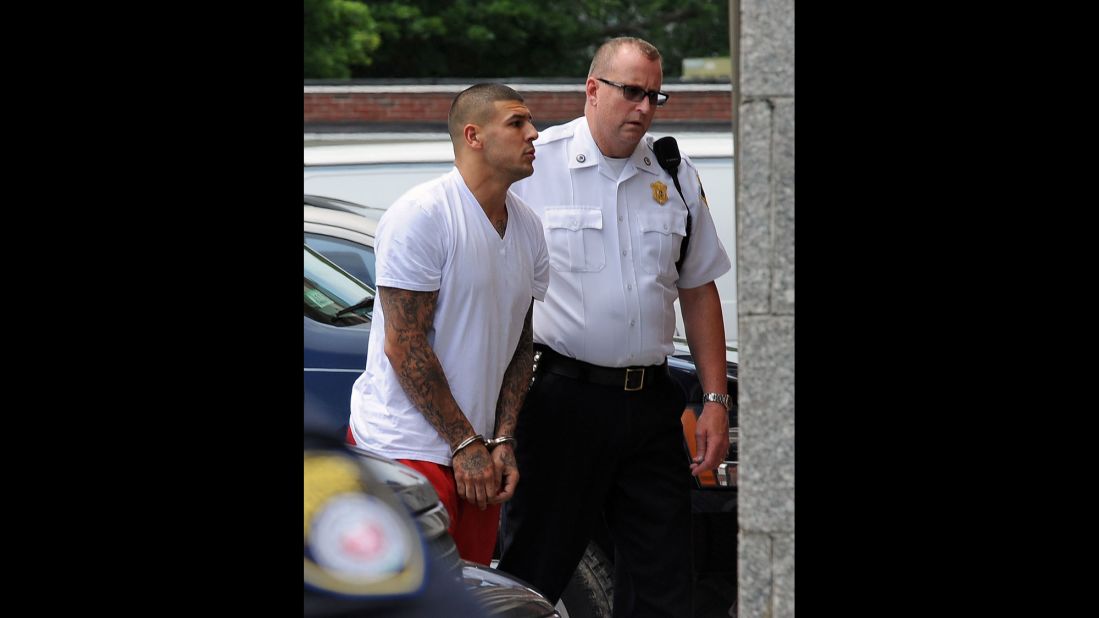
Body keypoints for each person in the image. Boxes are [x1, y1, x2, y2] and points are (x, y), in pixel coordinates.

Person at [496, 37, 732, 616]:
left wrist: (714, 398)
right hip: (561, 401)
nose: (645, 108)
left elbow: (698, 289)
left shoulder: (674, 174)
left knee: (665, 580)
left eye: (655, 95)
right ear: (593, 89)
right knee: (532, 573)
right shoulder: (535, 165)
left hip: (651, 403)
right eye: (632, 92)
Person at [347, 83, 549, 566]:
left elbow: (521, 344)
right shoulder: (422, 214)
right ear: (474, 135)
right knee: (409, 598)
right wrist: (465, 442)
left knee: (469, 594)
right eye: (517, 123)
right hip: (403, 449)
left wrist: (501, 439)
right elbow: (404, 344)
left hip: (474, 451)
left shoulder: (529, 226)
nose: (534, 134)